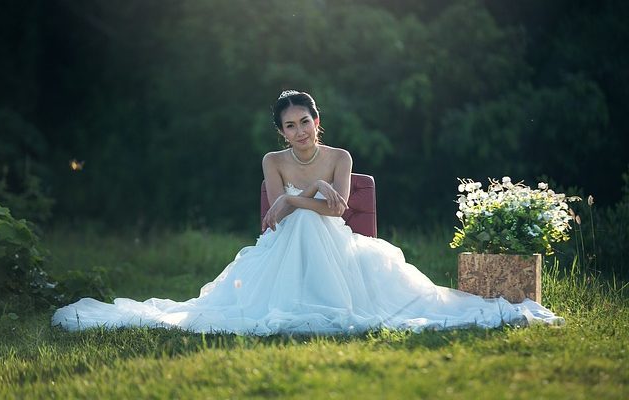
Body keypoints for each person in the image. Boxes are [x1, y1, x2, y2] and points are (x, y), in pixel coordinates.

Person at [52, 90, 563, 335]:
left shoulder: (339, 158)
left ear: (318, 121)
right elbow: (277, 220)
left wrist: (300, 193)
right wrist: (297, 202)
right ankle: (299, 301)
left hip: (338, 245)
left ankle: (335, 302)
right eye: (290, 126)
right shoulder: (272, 160)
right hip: (286, 246)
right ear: (281, 133)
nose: (299, 132)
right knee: (298, 226)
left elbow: (336, 207)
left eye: (305, 122)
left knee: (308, 220)